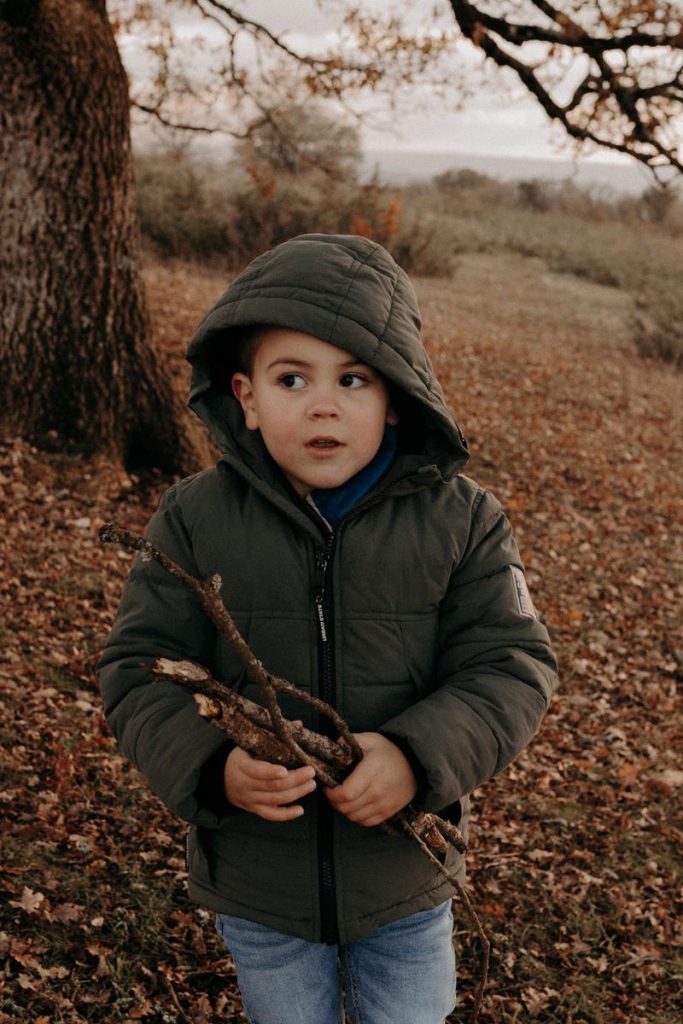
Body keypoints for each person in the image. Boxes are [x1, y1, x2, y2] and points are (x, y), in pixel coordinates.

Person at [98, 233, 557, 1024]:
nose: (323, 403)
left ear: (396, 396)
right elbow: (139, 666)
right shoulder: (196, 519)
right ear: (244, 395)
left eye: (353, 378)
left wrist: (417, 757)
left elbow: (510, 665)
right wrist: (214, 768)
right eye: (291, 378)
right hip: (260, 884)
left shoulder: (463, 522)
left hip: (402, 879)